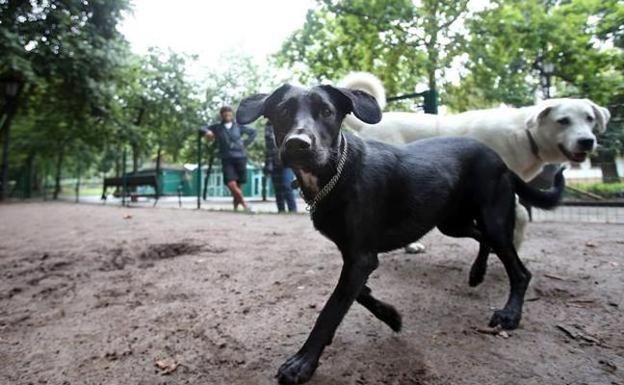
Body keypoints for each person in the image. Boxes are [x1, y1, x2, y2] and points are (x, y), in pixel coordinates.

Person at [203, 106, 257, 211]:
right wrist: (207, 132)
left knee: (239, 184)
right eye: (224, 114)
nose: (227, 115)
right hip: (226, 158)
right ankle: (245, 206)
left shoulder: (238, 126)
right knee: (231, 183)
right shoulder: (217, 127)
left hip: (240, 157)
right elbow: (202, 128)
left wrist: (244, 144)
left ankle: (235, 208)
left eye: (229, 113)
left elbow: (253, 132)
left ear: (232, 115)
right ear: (221, 115)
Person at [264, 123, 297, 213]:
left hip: (286, 161)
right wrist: (268, 164)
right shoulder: (268, 127)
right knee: (277, 188)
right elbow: (268, 148)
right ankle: (281, 210)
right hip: (273, 162)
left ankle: (293, 210)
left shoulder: (288, 123)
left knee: (286, 184)